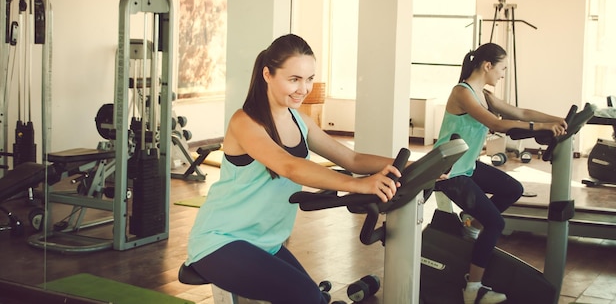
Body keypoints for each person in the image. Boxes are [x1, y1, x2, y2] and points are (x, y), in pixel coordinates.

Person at [185, 34, 402, 304]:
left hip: (265, 242)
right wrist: (359, 184)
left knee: (315, 300)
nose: (304, 88)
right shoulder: (245, 122)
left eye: (309, 78)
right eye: (294, 79)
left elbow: (352, 159)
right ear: (267, 74)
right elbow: (289, 166)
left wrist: (413, 165)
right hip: (220, 241)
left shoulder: (299, 121)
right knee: (307, 297)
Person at [433, 42, 567, 304]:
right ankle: (472, 289)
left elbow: (520, 112)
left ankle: (471, 223)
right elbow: (496, 123)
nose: (503, 74)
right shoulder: (462, 93)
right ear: (487, 65)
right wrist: (540, 126)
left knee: (513, 189)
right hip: (448, 172)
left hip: (467, 166)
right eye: (502, 68)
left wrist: (558, 120)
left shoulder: (485, 95)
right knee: (496, 223)